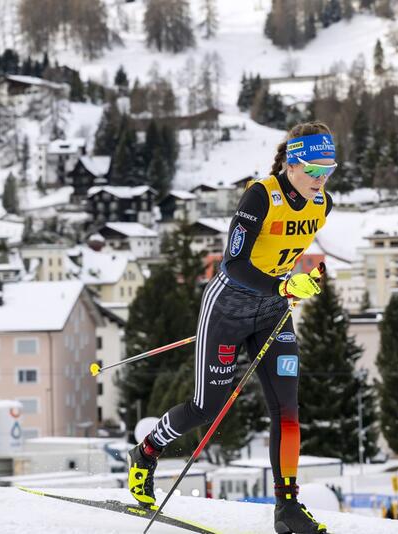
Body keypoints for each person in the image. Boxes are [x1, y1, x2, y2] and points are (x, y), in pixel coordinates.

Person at [127, 121, 337, 534]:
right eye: (314, 169)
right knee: (208, 407)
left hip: (273, 311)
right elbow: (235, 264)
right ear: (292, 163)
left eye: (329, 169)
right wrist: (281, 283)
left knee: (288, 409)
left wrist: (302, 281)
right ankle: (147, 450)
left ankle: (287, 506)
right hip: (226, 307)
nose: (321, 179)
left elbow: (286, 254)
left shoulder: (323, 204)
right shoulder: (260, 196)